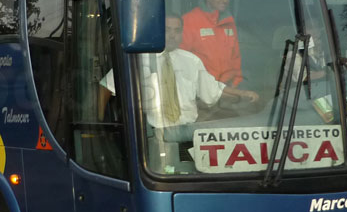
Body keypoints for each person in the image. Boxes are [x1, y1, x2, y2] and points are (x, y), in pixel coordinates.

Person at [99, 14, 259, 128]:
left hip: (187, 130)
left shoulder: (191, 60)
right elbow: (106, 87)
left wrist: (242, 94)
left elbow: (213, 90)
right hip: (152, 134)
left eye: (177, 30)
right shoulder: (138, 58)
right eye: (167, 30)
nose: (172, 35)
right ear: (159, 31)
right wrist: (101, 125)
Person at [181, 0, 243, 86]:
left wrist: (236, 82)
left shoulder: (229, 21)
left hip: (227, 87)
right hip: (202, 88)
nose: (224, 0)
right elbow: (181, 59)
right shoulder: (189, 21)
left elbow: (235, 56)